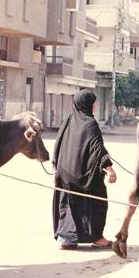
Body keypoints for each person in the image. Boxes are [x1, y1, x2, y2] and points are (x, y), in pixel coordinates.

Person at [52, 90, 117, 250]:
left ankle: (67, 239)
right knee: (98, 200)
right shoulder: (90, 123)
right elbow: (97, 149)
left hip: (66, 174)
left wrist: (57, 168)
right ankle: (97, 237)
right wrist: (109, 168)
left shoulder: (69, 120)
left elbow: (58, 144)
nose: (97, 105)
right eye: (95, 102)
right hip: (83, 175)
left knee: (68, 204)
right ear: (87, 103)